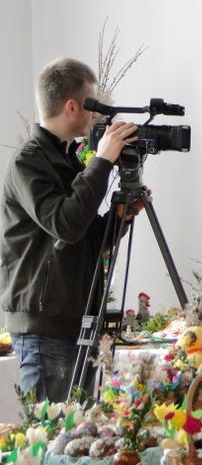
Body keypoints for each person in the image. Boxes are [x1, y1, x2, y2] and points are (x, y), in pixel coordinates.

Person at [0, 57, 139, 402]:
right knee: (50, 431)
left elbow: (85, 239)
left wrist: (119, 217)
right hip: (45, 325)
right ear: (72, 106)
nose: (97, 115)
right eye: (93, 105)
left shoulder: (68, 160)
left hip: (75, 317)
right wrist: (101, 161)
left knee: (78, 429)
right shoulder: (29, 162)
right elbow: (66, 226)